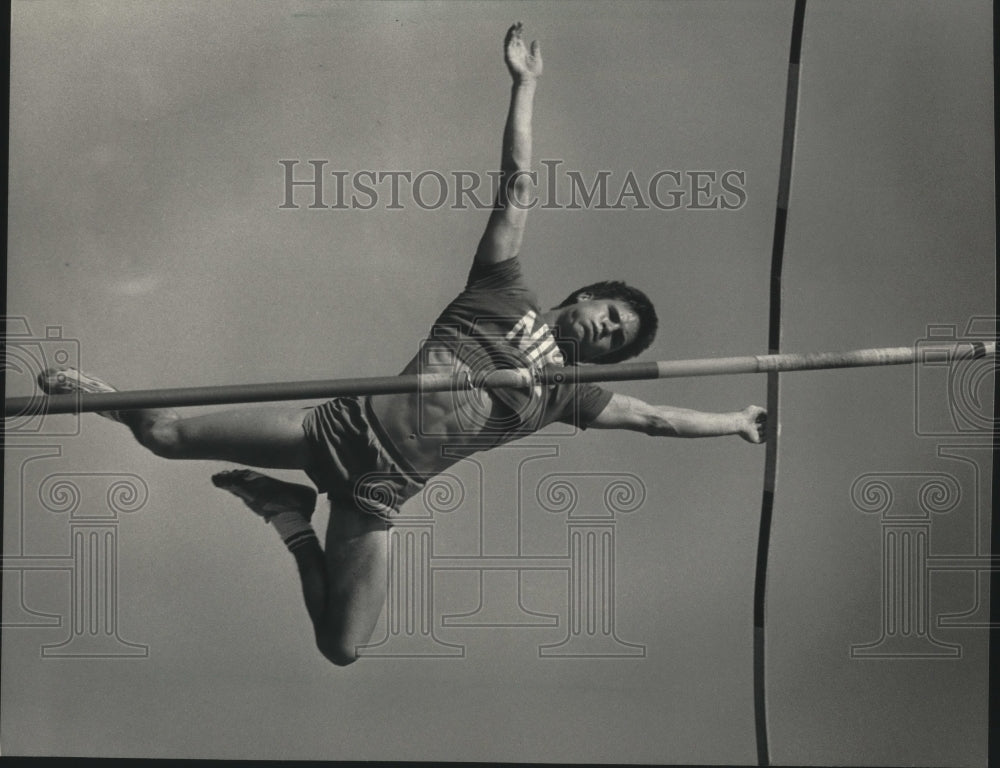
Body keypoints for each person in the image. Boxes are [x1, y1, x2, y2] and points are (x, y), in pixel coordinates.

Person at [38, 23, 766, 667]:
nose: (606, 330)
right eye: (609, 314)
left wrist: (733, 422)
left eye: (615, 339)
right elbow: (516, 188)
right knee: (162, 434)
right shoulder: (503, 291)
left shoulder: (568, 396)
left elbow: (654, 418)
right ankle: (108, 402)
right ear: (582, 298)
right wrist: (525, 87)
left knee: (341, 647)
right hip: (336, 428)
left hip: (377, 494)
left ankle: (291, 518)